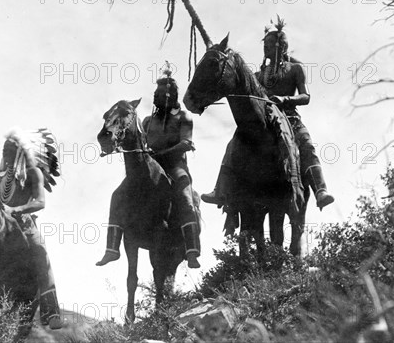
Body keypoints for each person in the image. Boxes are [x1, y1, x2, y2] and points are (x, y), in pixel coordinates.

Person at [201, 17, 335, 210]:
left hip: (289, 118)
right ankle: (220, 190)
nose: (266, 48)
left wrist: (285, 100)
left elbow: (306, 96)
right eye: (265, 44)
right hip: (263, 120)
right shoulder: (257, 76)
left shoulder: (295, 69)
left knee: (306, 144)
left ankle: (320, 190)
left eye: (271, 44)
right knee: (234, 142)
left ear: (282, 46)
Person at [96, 68, 201, 268]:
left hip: (175, 166)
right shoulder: (147, 121)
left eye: (160, 95)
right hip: (150, 166)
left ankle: (192, 249)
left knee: (186, 197)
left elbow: (186, 143)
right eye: (155, 95)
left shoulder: (183, 117)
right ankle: (112, 248)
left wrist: (161, 154)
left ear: (171, 96)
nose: (156, 98)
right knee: (117, 194)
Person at [0, 128, 63, 330]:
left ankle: (51, 311)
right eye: (4, 152)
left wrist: (16, 209)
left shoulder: (33, 173)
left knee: (40, 254)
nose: (6, 156)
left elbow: (40, 202)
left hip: (25, 226)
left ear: (20, 153)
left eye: (10, 152)